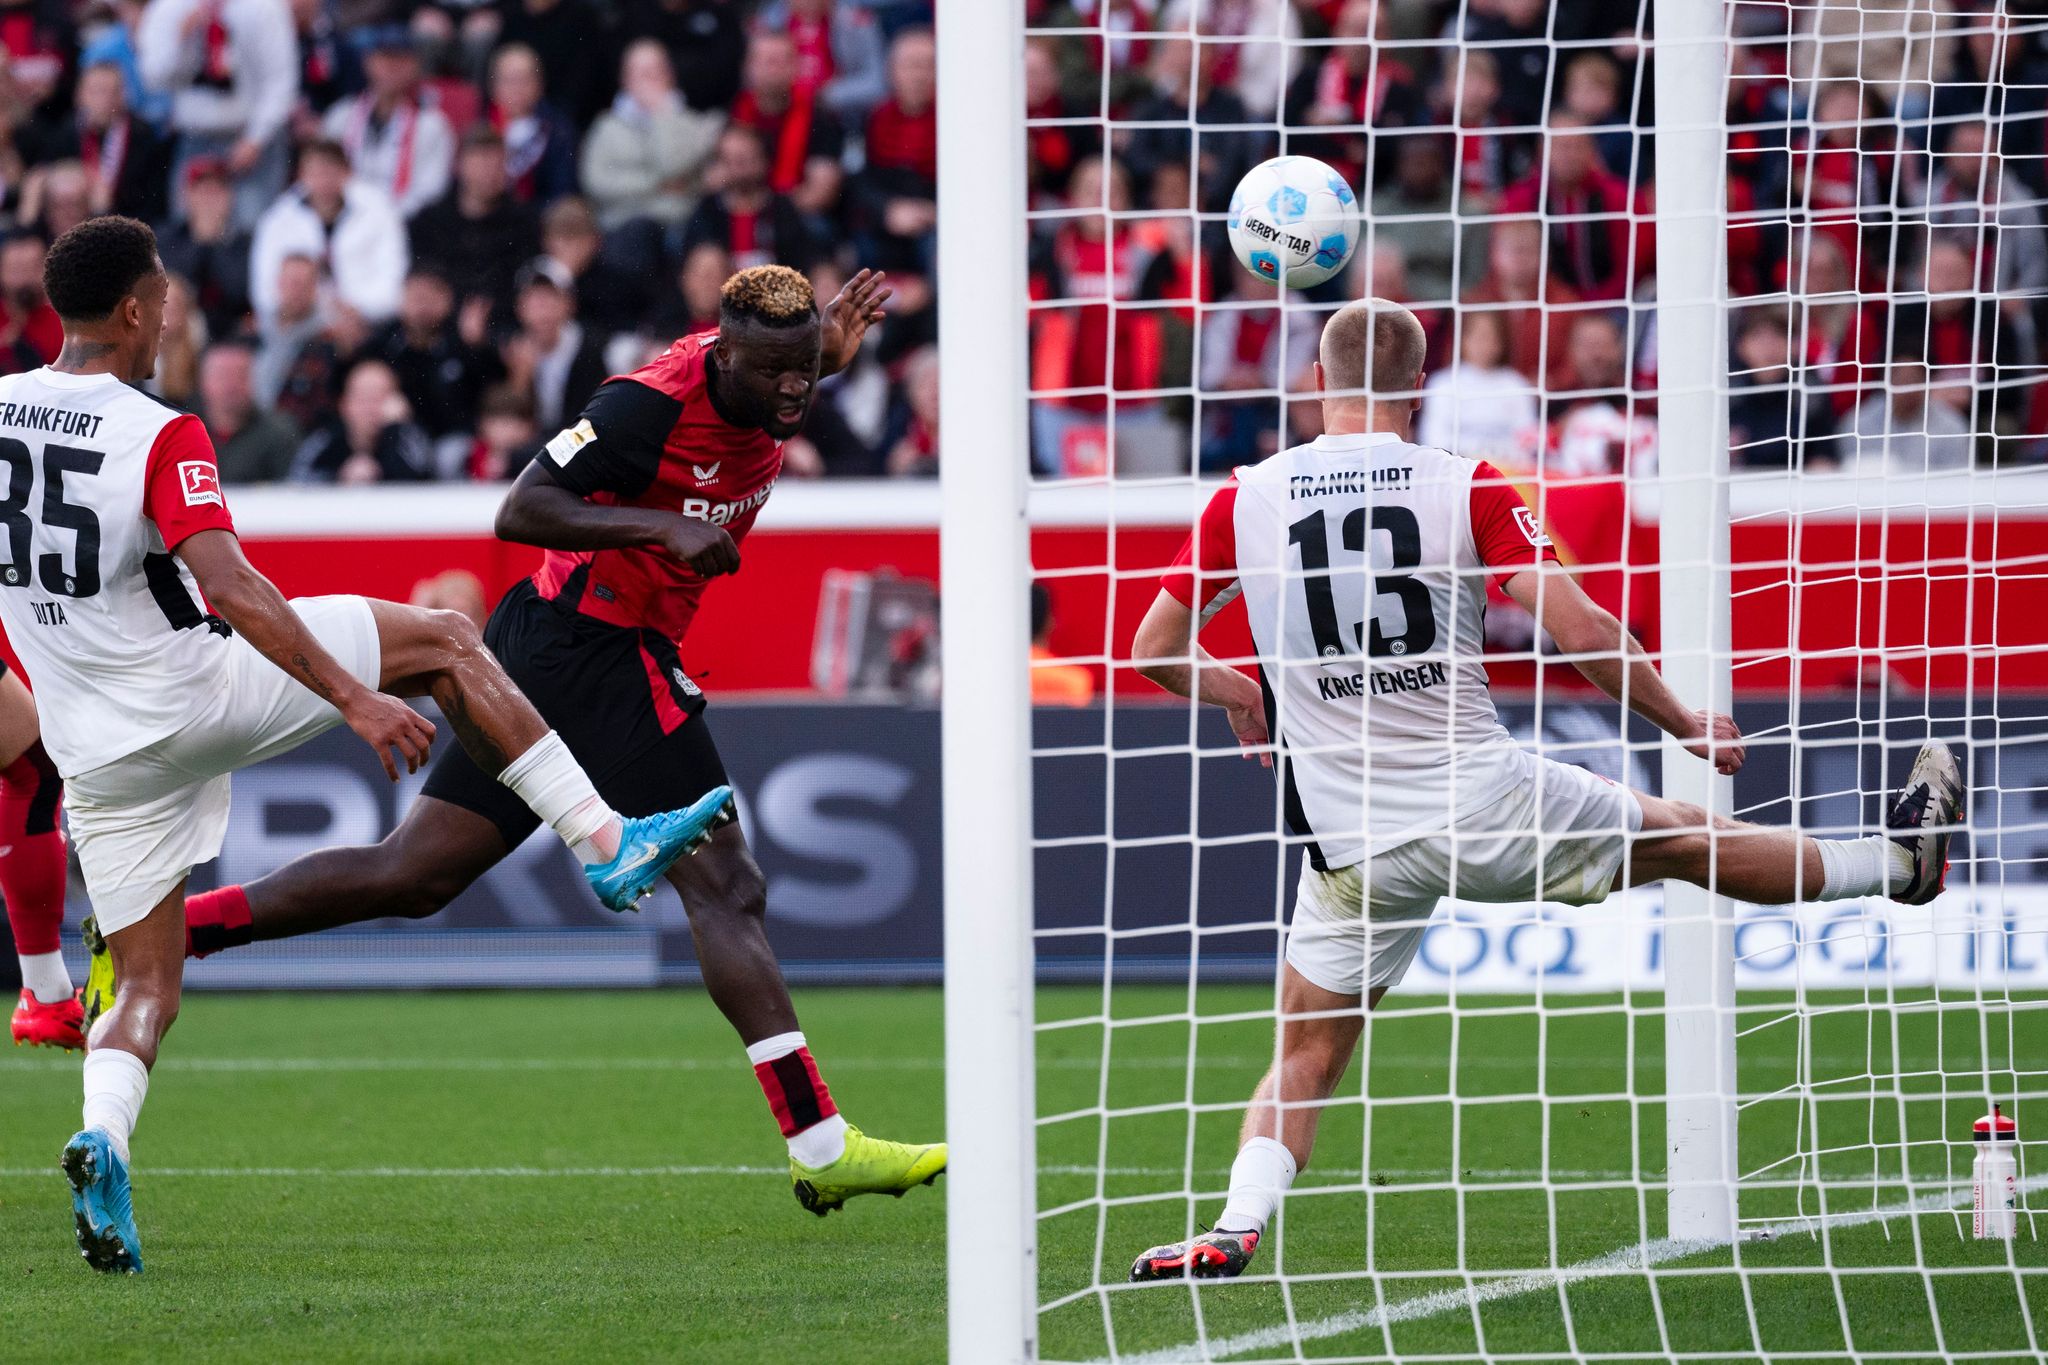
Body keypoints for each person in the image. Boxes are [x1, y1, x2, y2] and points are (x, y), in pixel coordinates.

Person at [1122, 299, 1965, 1283]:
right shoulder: (1465, 483)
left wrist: (1241, 691)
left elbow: (1150, 653)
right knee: (1687, 837)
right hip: (1481, 799)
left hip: (1348, 848)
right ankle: (1895, 864)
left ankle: (1232, 1227)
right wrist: (1680, 720)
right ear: (1421, 392)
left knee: (1305, 1049)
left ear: (1314, 385)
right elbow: (1577, 624)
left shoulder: (1242, 499)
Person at [93, 262, 948, 1220]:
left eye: (809, 371)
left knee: (414, 873)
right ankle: (822, 1145)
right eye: (779, 374)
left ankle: (159, 936)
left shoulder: (779, 369)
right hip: (593, 643)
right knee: (727, 883)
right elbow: (521, 507)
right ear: (724, 354)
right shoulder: (644, 407)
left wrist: (821, 355)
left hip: (566, 646)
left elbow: (796, 367)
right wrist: (655, 528)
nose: (798, 391)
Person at [20, 216, 740, 1274]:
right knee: (449, 639)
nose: (173, 308)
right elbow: (231, 586)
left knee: (146, 988)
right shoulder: (156, 433)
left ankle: (104, 1142)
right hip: (187, 687)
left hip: (93, 750)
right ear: (134, 310)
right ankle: (604, 843)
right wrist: (356, 699)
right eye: (164, 293)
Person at [249, 138, 407, 324]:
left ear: (346, 173)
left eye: (330, 171)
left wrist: (359, 309)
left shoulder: (379, 211)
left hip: (367, 320)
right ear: (301, 175)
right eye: (316, 172)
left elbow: (393, 275)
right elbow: (264, 290)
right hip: (299, 323)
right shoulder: (277, 220)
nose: (323, 180)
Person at [320, 25, 454, 220]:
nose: (391, 67)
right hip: (342, 221)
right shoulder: (341, 116)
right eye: (384, 57)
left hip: (403, 226)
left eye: (400, 59)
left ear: (414, 66)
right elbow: (322, 173)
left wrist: (382, 220)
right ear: (368, 62)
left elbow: (430, 192)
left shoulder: (433, 125)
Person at [197, 338, 299, 483]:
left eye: (241, 375)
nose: (231, 385)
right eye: (222, 376)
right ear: (202, 381)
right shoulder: (182, 433)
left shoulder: (279, 434)